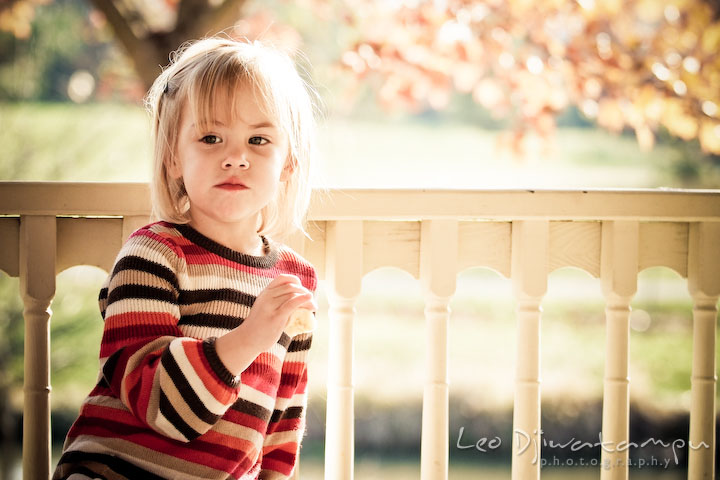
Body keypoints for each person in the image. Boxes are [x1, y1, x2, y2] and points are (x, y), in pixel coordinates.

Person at [53, 36, 319, 480]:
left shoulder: (295, 279)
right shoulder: (152, 255)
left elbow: (282, 422)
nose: (235, 157)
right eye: (211, 138)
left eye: (258, 140)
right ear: (175, 156)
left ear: (288, 163)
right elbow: (160, 407)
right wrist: (250, 336)